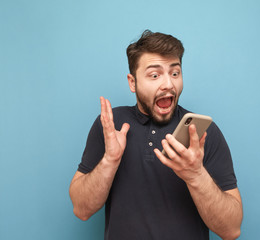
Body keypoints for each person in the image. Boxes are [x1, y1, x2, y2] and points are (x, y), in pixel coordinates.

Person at [69, 30, 243, 240]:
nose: (168, 84)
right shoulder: (110, 126)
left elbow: (231, 230)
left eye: (175, 73)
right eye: (155, 75)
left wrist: (195, 175)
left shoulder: (202, 133)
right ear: (132, 82)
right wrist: (110, 160)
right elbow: (81, 209)